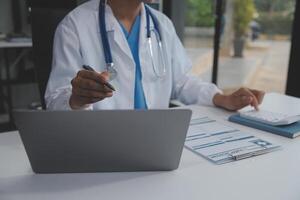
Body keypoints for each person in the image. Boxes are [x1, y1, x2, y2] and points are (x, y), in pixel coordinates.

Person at [45, 0, 265, 111]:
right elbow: (55, 99)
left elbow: (181, 81)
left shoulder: (162, 24)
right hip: (98, 143)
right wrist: (76, 99)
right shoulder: (74, 26)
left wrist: (221, 98)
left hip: (155, 142)